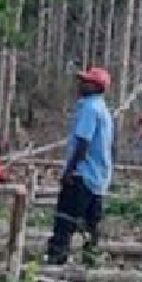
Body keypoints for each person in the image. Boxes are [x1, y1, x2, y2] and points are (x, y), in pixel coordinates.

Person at [46, 66, 113, 266]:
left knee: (65, 220)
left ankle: (57, 259)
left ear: (96, 87)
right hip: (99, 177)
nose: (81, 85)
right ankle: (90, 261)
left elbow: (83, 143)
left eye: (86, 82)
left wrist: (69, 171)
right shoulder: (103, 110)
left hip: (82, 174)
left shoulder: (89, 108)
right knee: (91, 224)